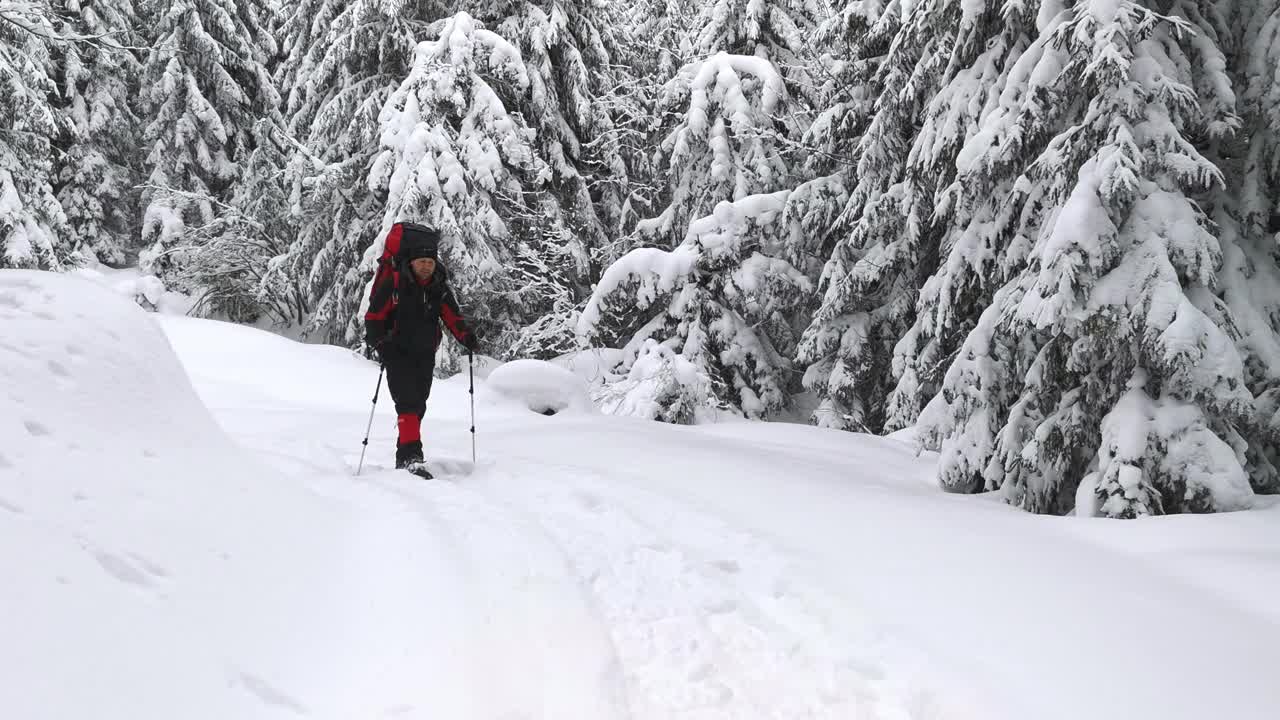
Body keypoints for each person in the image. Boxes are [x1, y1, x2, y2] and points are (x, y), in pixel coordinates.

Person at [364, 222, 478, 478]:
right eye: (422, 261)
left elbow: (451, 315)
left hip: (425, 353)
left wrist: (466, 337)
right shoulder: (394, 284)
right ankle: (410, 457)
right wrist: (382, 345)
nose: (426, 266)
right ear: (412, 262)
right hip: (397, 352)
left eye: (430, 261)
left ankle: (404, 453)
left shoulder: (437, 286)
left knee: (419, 405)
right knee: (407, 403)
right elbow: (373, 317)